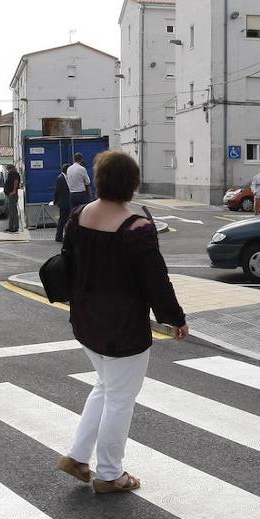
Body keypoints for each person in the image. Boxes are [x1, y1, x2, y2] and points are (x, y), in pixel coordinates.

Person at [57, 151, 188, 494]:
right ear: (133, 184)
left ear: (98, 181)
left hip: (86, 322)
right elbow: (156, 282)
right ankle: (110, 474)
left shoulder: (78, 216)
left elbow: (68, 261)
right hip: (123, 329)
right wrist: (175, 318)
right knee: (119, 398)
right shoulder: (137, 228)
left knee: (106, 387)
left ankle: (77, 457)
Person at [53, 163, 71, 242]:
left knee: (65, 220)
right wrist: (56, 201)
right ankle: (58, 236)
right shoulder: (60, 178)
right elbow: (57, 191)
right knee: (62, 220)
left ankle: (64, 235)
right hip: (63, 203)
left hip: (66, 202)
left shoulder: (65, 177)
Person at [4, 163, 22, 233]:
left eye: (8, 169)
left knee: (13, 211)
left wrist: (14, 191)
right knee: (11, 211)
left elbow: (16, 182)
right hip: (9, 194)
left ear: (10, 168)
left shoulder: (14, 174)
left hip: (12, 195)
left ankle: (15, 227)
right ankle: (11, 227)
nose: (7, 170)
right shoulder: (11, 174)